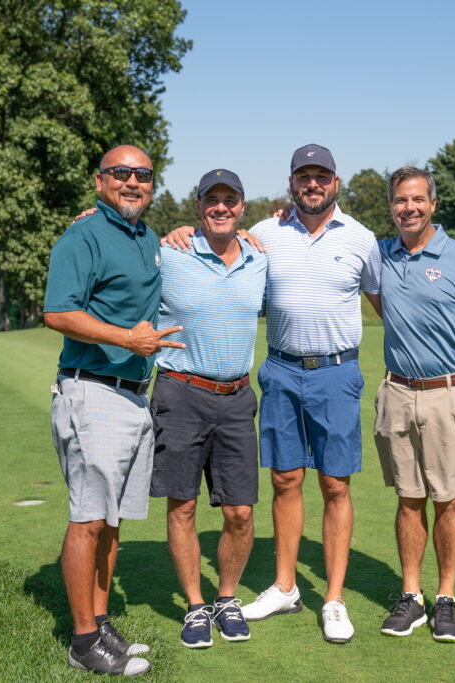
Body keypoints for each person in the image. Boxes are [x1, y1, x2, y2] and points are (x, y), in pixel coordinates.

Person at [166, 144, 382, 643]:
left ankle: (333, 598)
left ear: (336, 182)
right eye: (304, 176)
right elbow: (217, 248)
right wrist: (179, 231)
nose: (312, 184)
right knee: (285, 479)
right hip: (281, 371)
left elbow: (385, 301)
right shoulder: (262, 233)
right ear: (291, 183)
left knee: (336, 485)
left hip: (335, 371)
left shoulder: (362, 239)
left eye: (321, 176)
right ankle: (285, 586)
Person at [43, 144, 184, 675]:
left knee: (112, 522)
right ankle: (83, 642)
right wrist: (127, 337)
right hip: (92, 389)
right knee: (88, 519)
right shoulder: (82, 236)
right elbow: (58, 312)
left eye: (142, 175)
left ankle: (100, 623)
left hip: (131, 394)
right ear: (99, 181)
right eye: (120, 173)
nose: (132, 182)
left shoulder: (147, 238)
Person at [372, 166, 455, 643]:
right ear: (391, 207)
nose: (409, 208)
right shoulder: (380, 254)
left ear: (433, 204)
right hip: (398, 392)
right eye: (401, 201)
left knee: (447, 500)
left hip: (450, 393)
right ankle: (412, 597)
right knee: (409, 499)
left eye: (417, 200)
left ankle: (446, 598)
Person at [148, 169, 268, 649]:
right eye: (211, 199)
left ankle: (226, 598)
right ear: (198, 206)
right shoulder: (169, 251)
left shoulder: (260, 255)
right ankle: (196, 607)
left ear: (242, 207)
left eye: (230, 200)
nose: (221, 207)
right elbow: (121, 242)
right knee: (184, 506)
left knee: (240, 511)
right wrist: (93, 215)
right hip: (180, 392)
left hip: (237, 397)